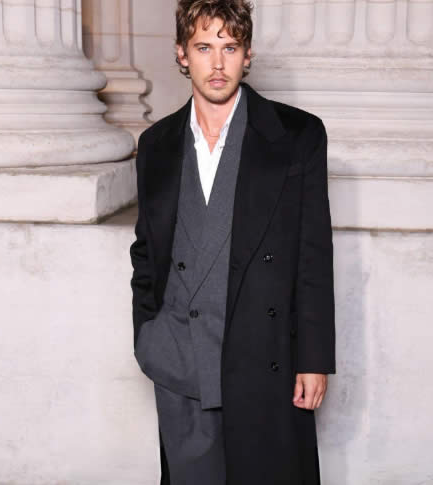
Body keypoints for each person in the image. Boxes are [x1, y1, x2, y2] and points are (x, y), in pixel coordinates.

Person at [129, 1, 335, 483]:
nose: (217, 63)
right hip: (179, 360)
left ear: (247, 54)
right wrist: (148, 337)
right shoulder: (156, 144)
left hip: (263, 359)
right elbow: (147, 252)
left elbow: (312, 254)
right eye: (204, 47)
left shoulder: (298, 134)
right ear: (182, 54)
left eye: (230, 47)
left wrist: (314, 359)